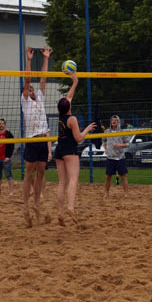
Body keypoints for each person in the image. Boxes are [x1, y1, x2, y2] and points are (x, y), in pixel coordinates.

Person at [53, 72, 97, 226]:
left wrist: (75, 82)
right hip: (69, 151)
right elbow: (79, 138)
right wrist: (88, 129)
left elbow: (68, 97)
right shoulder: (72, 119)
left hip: (59, 149)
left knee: (62, 182)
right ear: (69, 107)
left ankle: (60, 212)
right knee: (73, 179)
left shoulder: (61, 115)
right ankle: (70, 208)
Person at [21, 45, 52, 227]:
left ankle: (37, 203)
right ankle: (26, 206)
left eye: (32, 90)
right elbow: (28, 79)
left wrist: (46, 58)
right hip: (32, 139)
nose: (31, 92)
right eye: (29, 90)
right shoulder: (25, 101)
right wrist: (29, 60)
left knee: (41, 173)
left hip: (43, 139)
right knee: (29, 173)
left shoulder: (40, 98)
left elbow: (43, 78)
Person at [103, 115, 129, 197]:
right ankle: (106, 193)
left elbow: (127, 144)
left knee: (123, 176)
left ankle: (126, 193)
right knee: (108, 177)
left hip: (120, 157)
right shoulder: (107, 131)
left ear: (118, 122)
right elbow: (103, 141)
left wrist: (120, 145)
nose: (113, 121)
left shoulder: (122, 132)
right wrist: (106, 149)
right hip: (110, 157)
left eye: (115, 120)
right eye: (112, 120)